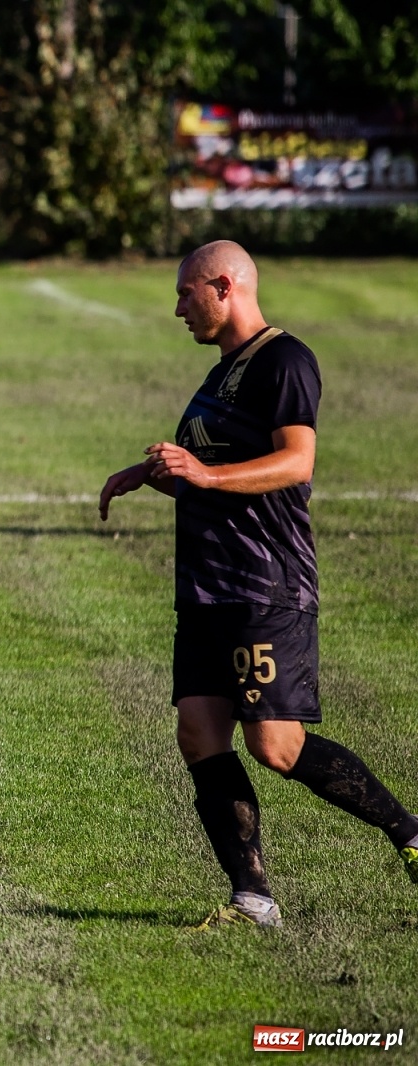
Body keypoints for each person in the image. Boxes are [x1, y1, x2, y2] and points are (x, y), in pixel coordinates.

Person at [100, 239, 418, 929]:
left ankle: (411, 834)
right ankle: (254, 898)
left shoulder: (284, 359)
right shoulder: (221, 373)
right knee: (200, 735)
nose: (178, 306)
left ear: (224, 285)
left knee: (275, 745)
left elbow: (295, 461)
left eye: (187, 292)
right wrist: (149, 472)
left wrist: (205, 476)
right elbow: (210, 461)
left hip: (263, 583)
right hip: (207, 588)